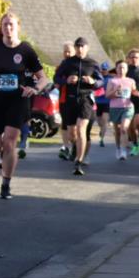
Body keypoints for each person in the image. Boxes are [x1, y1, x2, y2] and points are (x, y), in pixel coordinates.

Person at [0, 12, 47, 199]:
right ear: (1, 27)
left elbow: (43, 77)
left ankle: (5, 184)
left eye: (12, 25)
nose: (8, 28)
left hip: (18, 100)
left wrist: (35, 89)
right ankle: (3, 155)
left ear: (18, 27)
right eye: (5, 24)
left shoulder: (26, 50)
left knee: (10, 142)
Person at [53, 37, 103, 176]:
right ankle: (76, 147)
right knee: (72, 134)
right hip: (70, 100)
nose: (80, 49)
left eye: (82, 46)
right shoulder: (68, 63)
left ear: (87, 48)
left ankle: (78, 162)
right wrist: (66, 80)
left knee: (81, 129)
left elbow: (101, 81)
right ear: (75, 48)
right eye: (77, 46)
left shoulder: (92, 63)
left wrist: (93, 81)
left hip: (85, 99)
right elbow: (56, 78)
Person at [105, 60, 135, 160]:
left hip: (128, 107)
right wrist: (116, 91)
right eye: (119, 68)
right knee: (117, 131)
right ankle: (118, 148)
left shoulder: (131, 81)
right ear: (116, 69)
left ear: (127, 69)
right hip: (115, 108)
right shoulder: (112, 81)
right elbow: (107, 95)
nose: (121, 70)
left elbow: (133, 92)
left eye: (123, 68)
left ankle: (123, 151)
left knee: (124, 129)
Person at [56, 41, 75, 160]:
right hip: (63, 98)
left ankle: (75, 146)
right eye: (65, 51)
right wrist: (64, 82)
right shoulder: (61, 65)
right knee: (64, 123)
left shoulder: (78, 64)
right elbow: (56, 79)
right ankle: (66, 146)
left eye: (69, 51)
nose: (67, 54)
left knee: (73, 125)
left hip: (77, 98)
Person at [95, 61, 112, 148]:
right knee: (99, 122)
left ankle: (102, 139)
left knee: (104, 121)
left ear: (108, 70)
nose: (103, 71)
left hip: (107, 102)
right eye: (102, 69)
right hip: (97, 102)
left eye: (105, 69)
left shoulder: (110, 79)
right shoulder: (97, 77)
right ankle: (101, 130)